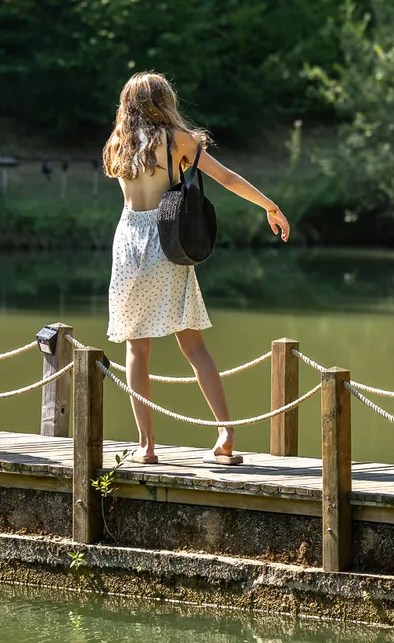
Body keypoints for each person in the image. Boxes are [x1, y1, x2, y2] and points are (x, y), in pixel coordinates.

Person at [102, 71, 290, 465]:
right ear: (164, 101)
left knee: (137, 350)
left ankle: (147, 447)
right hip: (165, 242)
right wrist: (269, 206)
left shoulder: (118, 142)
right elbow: (226, 177)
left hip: (127, 243)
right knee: (193, 345)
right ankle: (225, 433)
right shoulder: (176, 140)